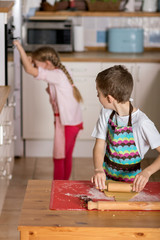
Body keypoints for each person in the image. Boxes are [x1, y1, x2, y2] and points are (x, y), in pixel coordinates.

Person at [14, 40, 83, 180]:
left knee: (58, 158)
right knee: (65, 156)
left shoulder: (56, 75)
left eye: (37, 63)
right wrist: (29, 60)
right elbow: (31, 69)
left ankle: (58, 189)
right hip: (73, 122)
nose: (35, 66)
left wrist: (20, 48)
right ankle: (64, 186)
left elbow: (29, 70)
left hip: (66, 124)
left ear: (47, 63)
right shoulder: (60, 72)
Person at [91, 65, 160, 192]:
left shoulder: (142, 123)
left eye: (98, 93)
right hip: (106, 181)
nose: (97, 96)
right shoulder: (106, 113)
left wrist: (147, 172)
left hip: (131, 186)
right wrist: (98, 169)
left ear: (109, 98)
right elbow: (99, 145)